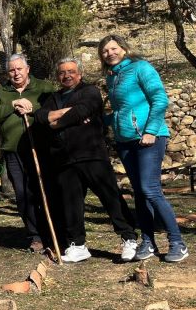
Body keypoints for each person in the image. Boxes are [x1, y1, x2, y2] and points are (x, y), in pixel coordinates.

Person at [35, 58, 138, 263]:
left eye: (71, 71)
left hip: (91, 154)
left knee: (110, 197)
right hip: (64, 159)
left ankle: (129, 237)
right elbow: (39, 117)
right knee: (71, 203)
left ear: (79, 74)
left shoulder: (90, 91)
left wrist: (55, 123)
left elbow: (82, 110)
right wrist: (64, 115)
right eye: (62, 72)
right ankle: (77, 244)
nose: (67, 75)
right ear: (58, 76)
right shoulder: (53, 98)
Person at [99, 34, 189, 263]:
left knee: (150, 190)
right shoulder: (113, 77)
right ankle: (148, 242)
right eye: (105, 51)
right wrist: (101, 120)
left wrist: (150, 130)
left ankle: (177, 242)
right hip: (125, 141)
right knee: (139, 193)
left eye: (113, 48)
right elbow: (122, 110)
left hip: (149, 138)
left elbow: (160, 99)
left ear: (124, 49)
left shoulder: (141, 68)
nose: (110, 53)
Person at [0, 54, 55, 252]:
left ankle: (55, 232)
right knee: (23, 194)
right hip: (13, 151)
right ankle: (36, 236)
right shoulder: (2, 93)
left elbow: (55, 110)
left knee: (45, 190)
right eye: (12, 70)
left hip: (40, 148)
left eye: (19, 69)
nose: (16, 73)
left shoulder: (44, 87)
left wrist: (33, 109)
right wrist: (12, 105)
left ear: (27, 69)